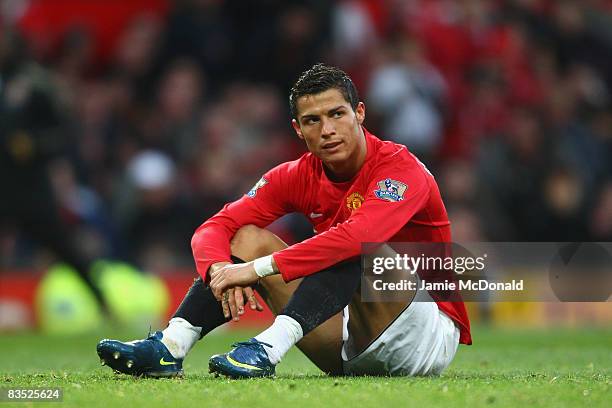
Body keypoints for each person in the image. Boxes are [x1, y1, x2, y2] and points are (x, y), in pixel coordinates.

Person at [97, 63, 471, 378]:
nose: (326, 130)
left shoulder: (400, 169)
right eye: (312, 120)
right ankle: (171, 344)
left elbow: (360, 236)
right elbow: (213, 228)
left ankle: (267, 348)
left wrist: (256, 271)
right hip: (348, 337)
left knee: (362, 245)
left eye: (337, 114)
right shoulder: (295, 175)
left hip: (426, 335)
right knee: (246, 238)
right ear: (298, 129)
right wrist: (219, 271)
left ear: (359, 114)